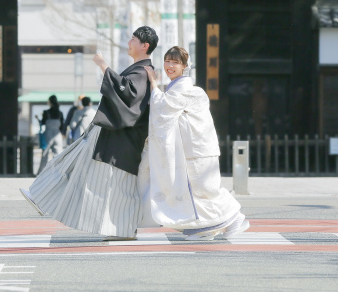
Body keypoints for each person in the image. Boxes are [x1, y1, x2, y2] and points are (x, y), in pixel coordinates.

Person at [21, 26, 158, 240]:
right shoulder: (141, 70)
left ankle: (42, 196)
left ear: (144, 45)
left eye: (133, 39)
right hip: (117, 136)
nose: (129, 42)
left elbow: (128, 95)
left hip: (122, 138)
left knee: (112, 182)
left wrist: (104, 66)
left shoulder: (142, 71)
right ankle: (41, 195)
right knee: (83, 168)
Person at [139, 46, 249, 240]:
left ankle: (235, 218)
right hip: (195, 150)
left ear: (184, 66)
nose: (170, 65)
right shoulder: (179, 89)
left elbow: (162, 107)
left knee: (207, 190)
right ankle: (205, 228)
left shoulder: (185, 90)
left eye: (175, 62)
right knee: (197, 193)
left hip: (199, 151)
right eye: (167, 61)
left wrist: (153, 83)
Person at [36, 95, 65, 174]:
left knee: (45, 153)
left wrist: (38, 119)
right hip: (57, 134)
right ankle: (58, 172)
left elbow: (43, 123)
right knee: (58, 154)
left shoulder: (46, 112)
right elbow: (62, 125)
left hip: (48, 134)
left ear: (50, 102)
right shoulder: (60, 113)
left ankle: (41, 173)